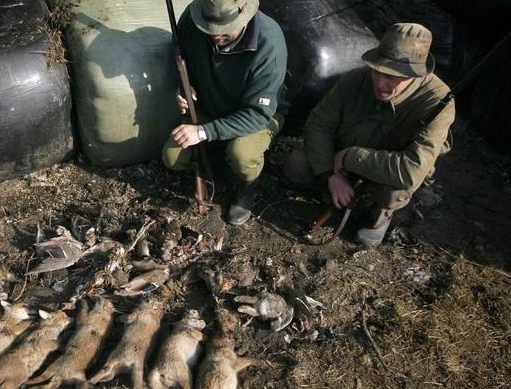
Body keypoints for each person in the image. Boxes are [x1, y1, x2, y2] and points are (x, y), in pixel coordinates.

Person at [284, 22, 455, 246]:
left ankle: (378, 214)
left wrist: (350, 157)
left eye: (392, 77)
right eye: (378, 71)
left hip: (384, 173)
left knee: (392, 193)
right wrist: (330, 175)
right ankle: (339, 191)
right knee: (296, 167)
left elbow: (412, 170)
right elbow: (318, 123)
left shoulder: (438, 103)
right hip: (340, 161)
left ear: (415, 76)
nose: (380, 83)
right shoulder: (355, 79)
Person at [162, 0, 288, 225]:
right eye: (209, 30)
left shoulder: (270, 44)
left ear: (244, 17)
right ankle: (218, 154)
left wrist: (202, 132)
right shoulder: (195, 18)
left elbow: (258, 114)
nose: (215, 36)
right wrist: (182, 85)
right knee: (172, 158)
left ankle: (249, 185)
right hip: (211, 107)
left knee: (241, 154)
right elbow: (178, 50)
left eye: (223, 31)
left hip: (257, 116)